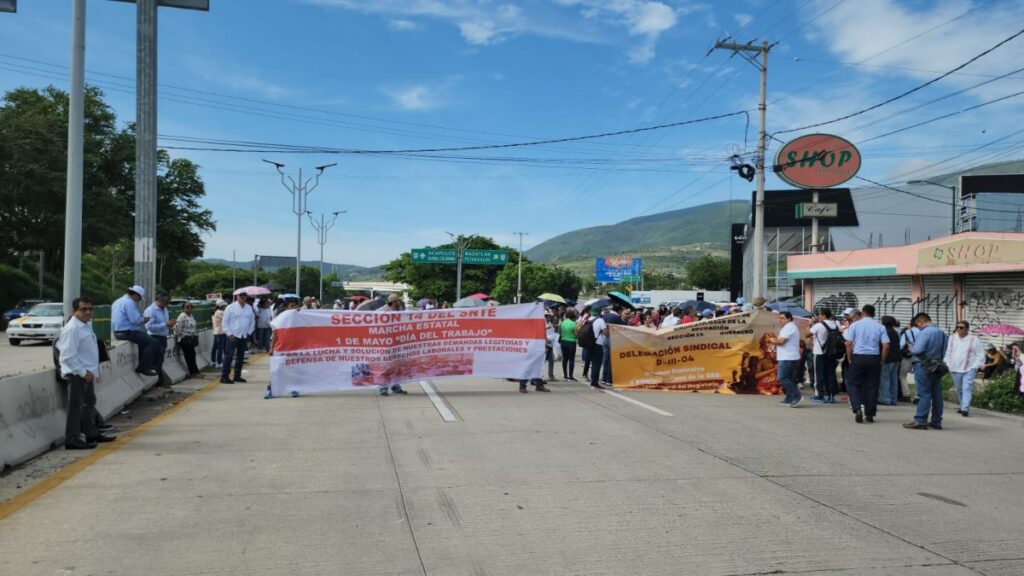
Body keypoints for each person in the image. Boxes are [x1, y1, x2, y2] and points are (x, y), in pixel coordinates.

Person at [56, 297, 116, 449]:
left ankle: (91, 434)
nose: (88, 312)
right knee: (76, 408)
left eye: (90, 309)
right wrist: (83, 373)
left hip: (87, 373)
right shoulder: (72, 329)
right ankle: (72, 439)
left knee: (89, 405)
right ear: (75, 311)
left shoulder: (85, 325)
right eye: (83, 309)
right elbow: (67, 356)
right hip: (78, 374)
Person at [843, 304, 889, 424]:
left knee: (853, 383)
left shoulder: (855, 325)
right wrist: (882, 360)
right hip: (874, 358)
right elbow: (886, 346)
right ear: (874, 313)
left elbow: (848, 343)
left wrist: (849, 358)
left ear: (862, 313)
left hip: (858, 357)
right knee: (872, 386)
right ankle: (870, 414)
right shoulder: (880, 327)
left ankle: (857, 408)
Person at [904, 312, 948, 430]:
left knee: (924, 393)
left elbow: (918, 350)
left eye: (918, 325)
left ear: (921, 322)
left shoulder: (925, 332)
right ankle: (936, 421)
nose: (918, 327)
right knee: (937, 395)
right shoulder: (942, 333)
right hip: (937, 365)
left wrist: (911, 347)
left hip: (923, 365)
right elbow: (945, 350)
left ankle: (920, 420)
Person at [111, 285, 158, 376]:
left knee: (144, 340)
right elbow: (135, 320)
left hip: (118, 332)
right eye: (140, 298)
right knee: (153, 342)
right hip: (127, 332)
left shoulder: (118, 301)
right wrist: (144, 319)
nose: (139, 300)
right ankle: (145, 367)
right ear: (136, 295)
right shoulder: (129, 303)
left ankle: (143, 365)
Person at [945, 321, 985, 417]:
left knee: (967, 387)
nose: (959, 329)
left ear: (967, 329)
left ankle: (965, 409)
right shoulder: (952, 338)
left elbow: (980, 354)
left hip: (968, 368)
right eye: (957, 327)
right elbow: (948, 351)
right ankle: (962, 405)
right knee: (959, 389)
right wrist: (948, 363)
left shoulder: (974, 340)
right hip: (954, 367)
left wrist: (974, 366)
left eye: (961, 327)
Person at [221, 292, 255, 384]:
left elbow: (252, 321)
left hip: (244, 335)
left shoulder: (249, 308)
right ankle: (224, 376)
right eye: (241, 295)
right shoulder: (230, 307)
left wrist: (249, 332)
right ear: (237, 296)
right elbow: (225, 322)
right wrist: (229, 334)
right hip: (233, 335)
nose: (243, 297)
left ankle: (237, 376)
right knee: (229, 356)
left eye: (244, 295)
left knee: (240, 357)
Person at [378, 295, 409, 396]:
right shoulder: (382, 312)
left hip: (397, 343)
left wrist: (403, 309)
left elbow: (407, 319)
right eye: (398, 301)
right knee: (385, 366)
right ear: (394, 302)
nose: (400, 303)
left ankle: (396, 386)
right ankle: (383, 388)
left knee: (396, 366)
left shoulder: (399, 310)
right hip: (385, 344)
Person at [771, 311, 803, 407]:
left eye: (782, 318)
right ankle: (789, 397)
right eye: (779, 318)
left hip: (788, 357)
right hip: (789, 356)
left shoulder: (789, 327)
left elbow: (781, 342)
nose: (780, 320)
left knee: (782, 377)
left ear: (789, 319)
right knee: (789, 378)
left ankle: (796, 395)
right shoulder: (788, 327)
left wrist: (772, 340)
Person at [809, 308, 839, 404]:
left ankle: (820, 395)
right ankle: (831, 396)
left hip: (819, 352)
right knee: (830, 373)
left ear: (824, 315)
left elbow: (806, 334)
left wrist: (810, 326)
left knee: (818, 374)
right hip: (831, 353)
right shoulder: (835, 324)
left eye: (820, 314)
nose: (818, 316)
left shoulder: (818, 325)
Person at [144, 294, 176, 383]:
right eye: (165, 302)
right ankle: (157, 382)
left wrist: (169, 325)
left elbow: (164, 323)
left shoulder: (164, 309)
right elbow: (149, 327)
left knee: (160, 360)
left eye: (167, 303)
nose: (166, 305)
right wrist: (165, 324)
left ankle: (159, 381)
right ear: (159, 300)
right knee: (156, 360)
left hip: (163, 336)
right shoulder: (150, 311)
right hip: (154, 337)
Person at [174, 302, 203, 380]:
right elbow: (177, 328)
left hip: (191, 338)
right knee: (189, 356)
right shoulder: (182, 316)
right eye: (187, 307)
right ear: (183, 308)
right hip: (185, 339)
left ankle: (195, 371)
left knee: (192, 355)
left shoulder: (191, 316)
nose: (189, 308)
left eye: (191, 307)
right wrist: (182, 336)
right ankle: (193, 372)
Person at [879, 316, 903, 406]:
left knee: (885, 379)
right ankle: (893, 399)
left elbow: (885, 346)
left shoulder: (885, 332)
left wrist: (882, 359)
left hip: (887, 358)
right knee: (893, 379)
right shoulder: (895, 332)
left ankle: (885, 399)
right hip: (896, 358)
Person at [601, 304, 626, 385]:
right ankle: (609, 380)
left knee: (605, 359)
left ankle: (604, 379)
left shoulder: (605, 315)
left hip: (605, 339)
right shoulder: (616, 318)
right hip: (613, 340)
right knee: (612, 361)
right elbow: (623, 327)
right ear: (619, 311)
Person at [589, 305, 608, 390]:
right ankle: (594, 382)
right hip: (598, 344)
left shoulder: (588, 319)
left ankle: (593, 380)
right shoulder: (600, 320)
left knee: (593, 363)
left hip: (589, 344)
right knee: (597, 364)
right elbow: (605, 333)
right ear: (599, 312)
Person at [559, 309, 578, 381]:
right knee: (571, 359)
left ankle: (565, 375)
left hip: (563, 341)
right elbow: (576, 334)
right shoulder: (573, 323)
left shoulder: (563, 322)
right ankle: (570, 375)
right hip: (571, 342)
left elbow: (560, 332)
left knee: (565, 359)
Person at [211, 299, 227, 368]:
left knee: (215, 347)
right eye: (224, 305)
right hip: (220, 332)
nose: (225, 306)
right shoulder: (220, 312)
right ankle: (219, 362)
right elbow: (226, 319)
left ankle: (213, 361)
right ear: (221, 305)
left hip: (216, 331)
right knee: (220, 348)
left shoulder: (216, 311)